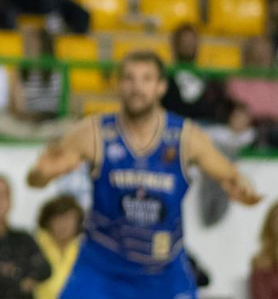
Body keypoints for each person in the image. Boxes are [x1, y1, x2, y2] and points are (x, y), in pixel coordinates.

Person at [26, 51, 262, 299]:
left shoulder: (185, 137)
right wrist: (40, 174)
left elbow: (229, 174)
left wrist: (241, 187)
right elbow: (38, 178)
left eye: (146, 79)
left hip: (162, 270)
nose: (136, 87)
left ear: (161, 87)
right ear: (118, 85)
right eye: (129, 78)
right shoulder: (93, 133)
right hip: (102, 268)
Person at [34, 195, 83, 299]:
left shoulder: (84, 251)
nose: (64, 224)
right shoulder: (33, 245)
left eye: (69, 218)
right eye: (59, 218)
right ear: (48, 221)